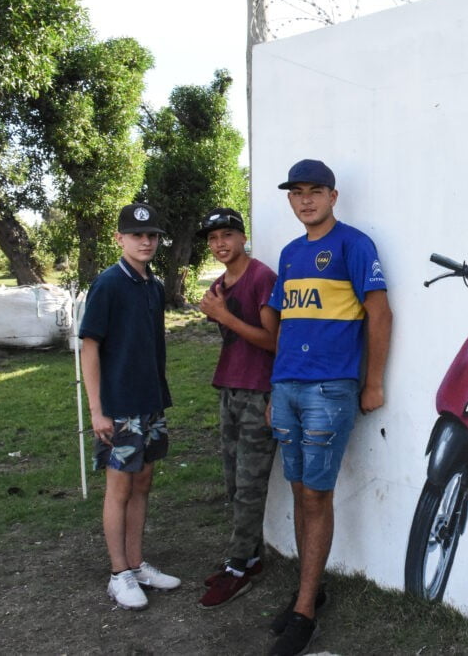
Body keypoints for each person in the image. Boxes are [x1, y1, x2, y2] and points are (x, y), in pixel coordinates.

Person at [266, 159, 393, 656]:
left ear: (333, 196)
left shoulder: (354, 245)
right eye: (296, 192)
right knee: (299, 491)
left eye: (315, 191)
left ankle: (304, 612)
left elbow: (379, 314)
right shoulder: (291, 253)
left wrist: (373, 383)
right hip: (287, 388)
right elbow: (283, 321)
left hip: (329, 389)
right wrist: (274, 386)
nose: (305, 200)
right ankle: (309, 589)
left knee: (316, 496)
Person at [79, 203, 181, 611]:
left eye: (152, 235)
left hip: (150, 403)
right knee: (119, 488)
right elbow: (90, 348)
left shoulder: (153, 286)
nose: (145, 241)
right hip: (118, 407)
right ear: (120, 238)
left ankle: (137, 564)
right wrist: (96, 410)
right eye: (137, 235)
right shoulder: (108, 284)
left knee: (142, 483)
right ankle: (118, 573)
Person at [194, 208, 280, 609]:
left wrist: (223, 315)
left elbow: (273, 341)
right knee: (233, 480)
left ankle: (238, 567)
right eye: (212, 239)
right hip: (229, 390)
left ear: (243, 237)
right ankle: (250, 557)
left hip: (256, 394)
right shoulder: (219, 284)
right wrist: (219, 313)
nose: (220, 244)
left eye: (227, 235)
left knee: (249, 484)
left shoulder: (261, 277)